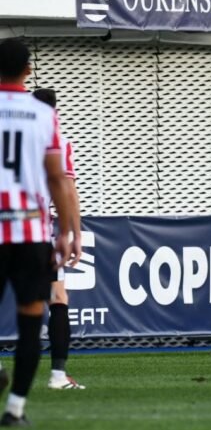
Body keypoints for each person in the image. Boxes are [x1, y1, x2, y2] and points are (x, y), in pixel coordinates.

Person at [0, 38, 80, 425]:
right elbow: (57, 178)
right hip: (30, 233)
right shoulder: (44, 116)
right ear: (28, 71)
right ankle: (15, 408)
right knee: (31, 321)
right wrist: (66, 231)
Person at [32, 88, 85, 390]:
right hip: (36, 232)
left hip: (6, 231)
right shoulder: (57, 143)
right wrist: (73, 233)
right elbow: (67, 192)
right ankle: (57, 376)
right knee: (57, 298)